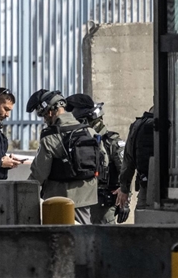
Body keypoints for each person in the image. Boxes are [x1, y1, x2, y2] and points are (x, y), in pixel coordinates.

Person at [26, 89, 107, 225]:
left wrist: (24, 190)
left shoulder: (50, 137)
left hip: (60, 199)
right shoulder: (89, 131)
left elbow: (39, 173)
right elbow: (104, 161)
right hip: (87, 196)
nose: (45, 120)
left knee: (62, 234)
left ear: (50, 112)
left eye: (44, 115)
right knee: (84, 230)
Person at [65, 94, 122, 225]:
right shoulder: (76, 142)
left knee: (105, 235)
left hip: (104, 202)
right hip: (82, 199)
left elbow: (125, 171)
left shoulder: (111, 142)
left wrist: (125, 200)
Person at [116, 107, 155, 213]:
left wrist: (124, 189)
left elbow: (128, 159)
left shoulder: (139, 125)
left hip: (146, 186)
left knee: (144, 219)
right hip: (175, 187)